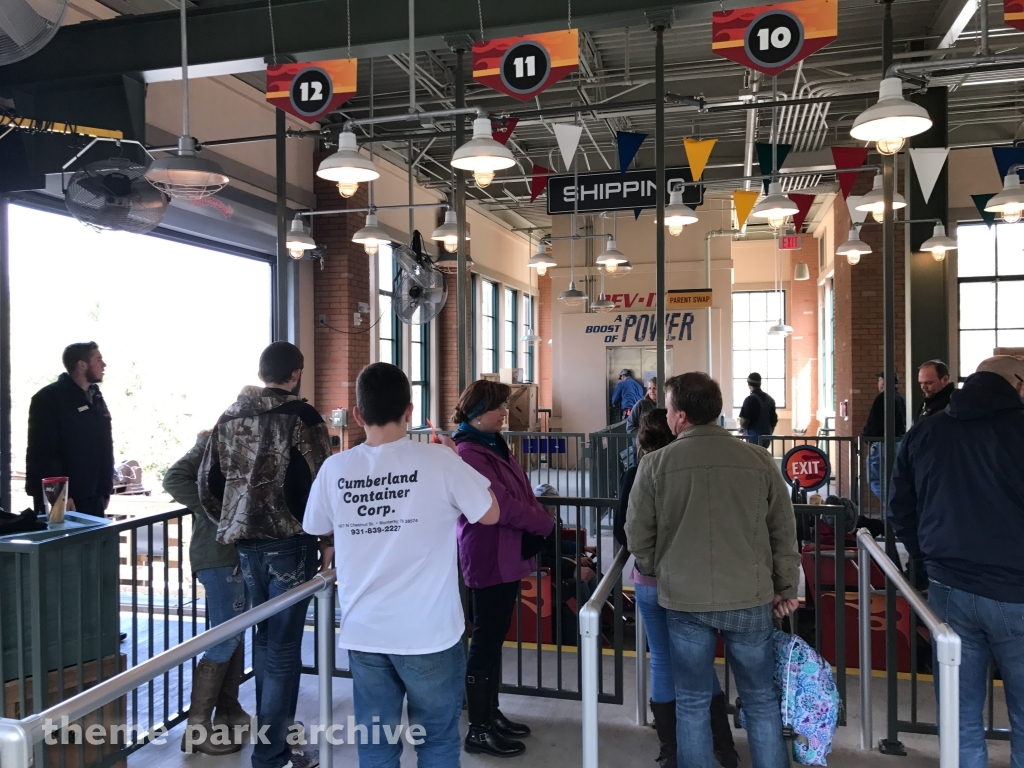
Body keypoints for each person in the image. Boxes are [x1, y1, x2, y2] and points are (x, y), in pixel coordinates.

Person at [303, 362, 501, 768]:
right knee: (438, 741)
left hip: (366, 632)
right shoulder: (439, 462)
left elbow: (315, 524)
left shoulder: (335, 469)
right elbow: (491, 513)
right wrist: (455, 459)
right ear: (410, 411)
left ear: (358, 415)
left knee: (377, 745)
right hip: (430, 634)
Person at [625, 372, 799, 768]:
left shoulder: (654, 466)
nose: (666, 416)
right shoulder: (758, 460)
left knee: (690, 701)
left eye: (667, 409)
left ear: (681, 415)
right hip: (750, 597)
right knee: (760, 700)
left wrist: (660, 569)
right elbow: (783, 529)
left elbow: (638, 534)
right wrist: (785, 585)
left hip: (684, 600)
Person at [199, 342, 331, 768]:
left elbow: (207, 481)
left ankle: (273, 745)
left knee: (264, 639)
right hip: (290, 542)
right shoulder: (302, 416)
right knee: (284, 648)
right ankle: (271, 753)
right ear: (295, 374)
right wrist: (327, 537)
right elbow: (320, 480)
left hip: (245, 544)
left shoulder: (228, 417)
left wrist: (232, 520)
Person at [888, 355, 1024, 768]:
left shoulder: (925, 432)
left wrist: (927, 561)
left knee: (959, 712)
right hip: (1016, 591)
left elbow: (900, 510)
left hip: (948, 590)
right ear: (1016, 384)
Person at [614, 409, 738, 768]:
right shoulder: (695, 471)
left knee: (664, 661)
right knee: (699, 662)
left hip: (650, 583)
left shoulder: (637, 473)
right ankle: (721, 747)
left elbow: (625, 532)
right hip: (693, 582)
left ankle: (672, 747)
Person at [452, 380, 556, 757]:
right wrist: (542, 523)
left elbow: (519, 492)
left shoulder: (492, 444)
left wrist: (536, 515)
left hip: (506, 552)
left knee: (494, 640)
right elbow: (501, 503)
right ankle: (478, 729)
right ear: (477, 411)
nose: (504, 413)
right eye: (497, 407)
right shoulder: (469, 452)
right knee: (484, 643)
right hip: (489, 553)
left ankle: (490, 713)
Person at [164, 431, 251, 755]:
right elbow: (173, 478)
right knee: (225, 637)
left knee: (235, 633)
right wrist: (218, 512)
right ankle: (198, 727)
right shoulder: (217, 440)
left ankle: (228, 711)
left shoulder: (241, 441)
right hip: (218, 557)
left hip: (235, 554)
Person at [25, 342, 114, 517]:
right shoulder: (49, 398)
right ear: (82, 364)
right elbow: (43, 452)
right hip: (63, 497)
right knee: (65, 544)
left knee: (93, 544)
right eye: (98, 359)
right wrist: (59, 494)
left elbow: (104, 446)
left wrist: (105, 490)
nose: (104, 365)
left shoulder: (95, 396)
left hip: (93, 494)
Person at [863, 372, 907, 500]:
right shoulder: (901, 397)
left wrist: (867, 437)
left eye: (880, 380)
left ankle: (888, 509)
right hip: (898, 443)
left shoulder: (882, 398)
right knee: (890, 479)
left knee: (876, 481)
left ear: (883, 382)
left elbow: (874, 424)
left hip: (881, 444)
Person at [737, 372, 777, 446]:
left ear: (749, 385)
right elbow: (773, 421)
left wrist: (742, 428)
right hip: (767, 438)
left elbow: (744, 421)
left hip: (753, 438)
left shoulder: (749, 400)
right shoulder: (770, 400)